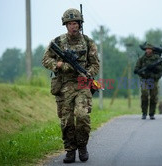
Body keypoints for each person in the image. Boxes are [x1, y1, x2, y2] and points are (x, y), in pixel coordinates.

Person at [42, 8, 99, 163]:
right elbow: (45, 59)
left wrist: (87, 73)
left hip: (82, 84)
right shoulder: (58, 42)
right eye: (70, 24)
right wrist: (58, 64)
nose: (73, 26)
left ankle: (82, 146)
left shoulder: (88, 42)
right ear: (65, 25)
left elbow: (95, 65)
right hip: (64, 86)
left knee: (82, 116)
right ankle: (70, 150)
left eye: (75, 23)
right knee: (66, 120)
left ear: (80, 24)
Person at [134, 43, 162, 120]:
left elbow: (161, 70)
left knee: (153, 97)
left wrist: (154, 75)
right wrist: (138, 71)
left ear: (152, 50)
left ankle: (151, 114)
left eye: (149, 49)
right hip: (144, 79)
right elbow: (137, 68)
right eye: (146, 49)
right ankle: (144, 113)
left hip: (153, 80)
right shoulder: (142, 58)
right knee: (144, 95)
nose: (148, 50)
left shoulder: (157, 58)